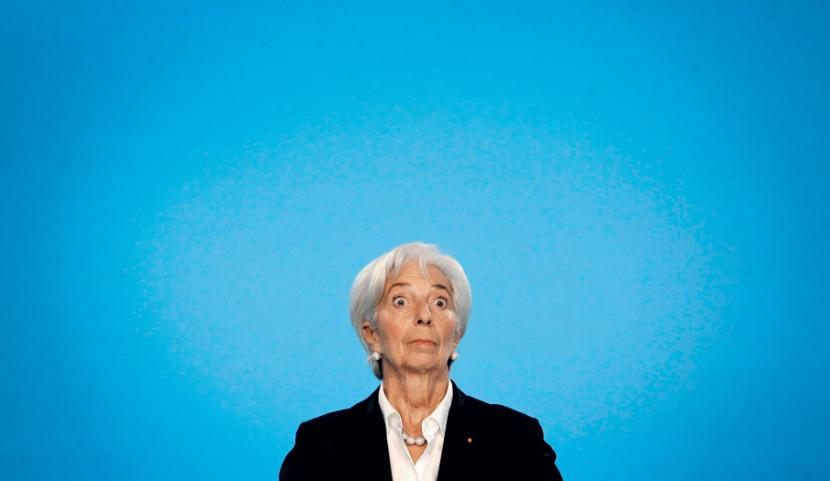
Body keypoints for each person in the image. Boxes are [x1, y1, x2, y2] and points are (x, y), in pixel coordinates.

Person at [280, 242, 564, 481]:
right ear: (371, 334)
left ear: (456, 335)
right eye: (400, 301)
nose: (424, 315)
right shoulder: (321, 444)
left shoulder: (515, 439)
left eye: (440, 302)